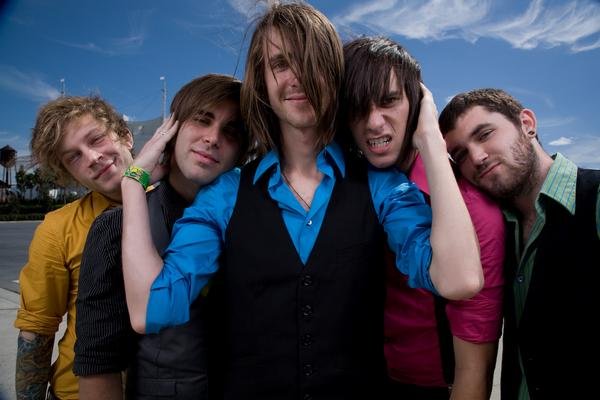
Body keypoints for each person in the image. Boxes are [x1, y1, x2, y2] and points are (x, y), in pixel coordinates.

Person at [121, 2, 483, 399]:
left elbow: (459, 279)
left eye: (312, 62)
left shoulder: (380, 186)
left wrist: (429, 139)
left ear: (334, 75)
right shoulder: (225, 194)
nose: (297, 78)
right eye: (280, 64)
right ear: (262, 80)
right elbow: (149, 310)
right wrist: (132, 183)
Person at [341, 37, 505, 400]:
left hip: (432, 388)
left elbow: (473, 375)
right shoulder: (349, 184)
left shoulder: (472, 210)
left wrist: (430, 137)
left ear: (416, 103)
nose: (373, 122)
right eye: (357, 106)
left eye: (389, 101)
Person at [73, 74, 249, 400]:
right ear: (172, 129)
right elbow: (98, 362)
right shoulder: (115, 226)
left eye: (231, 131)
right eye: (202, 120)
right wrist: (134, 182)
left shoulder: (255, 216)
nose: (213, 138)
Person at [439, 88, 600, 400]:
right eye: (461, 155)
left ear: (527, 124)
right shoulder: (491, 230)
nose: (477, 157)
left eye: (485, 134)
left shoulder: (595, 198)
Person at [14, 96, 134, 399]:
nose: (92, 157)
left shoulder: (187, 205)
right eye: (74, 157)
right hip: (75, 391)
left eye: (96, 139)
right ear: (70, 175)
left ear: (125, 136)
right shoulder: (57, 229)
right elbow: (37, 331)